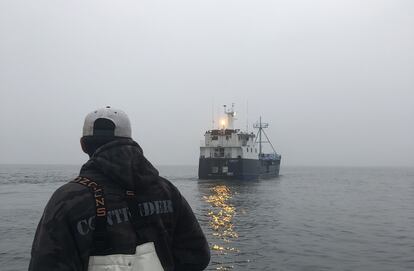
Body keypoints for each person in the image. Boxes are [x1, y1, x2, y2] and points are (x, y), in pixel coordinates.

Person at [29, 106, 210, 271]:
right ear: (129, 141)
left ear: (83, 145)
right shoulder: (167, 191)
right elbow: (198, 256)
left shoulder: (66, 200)